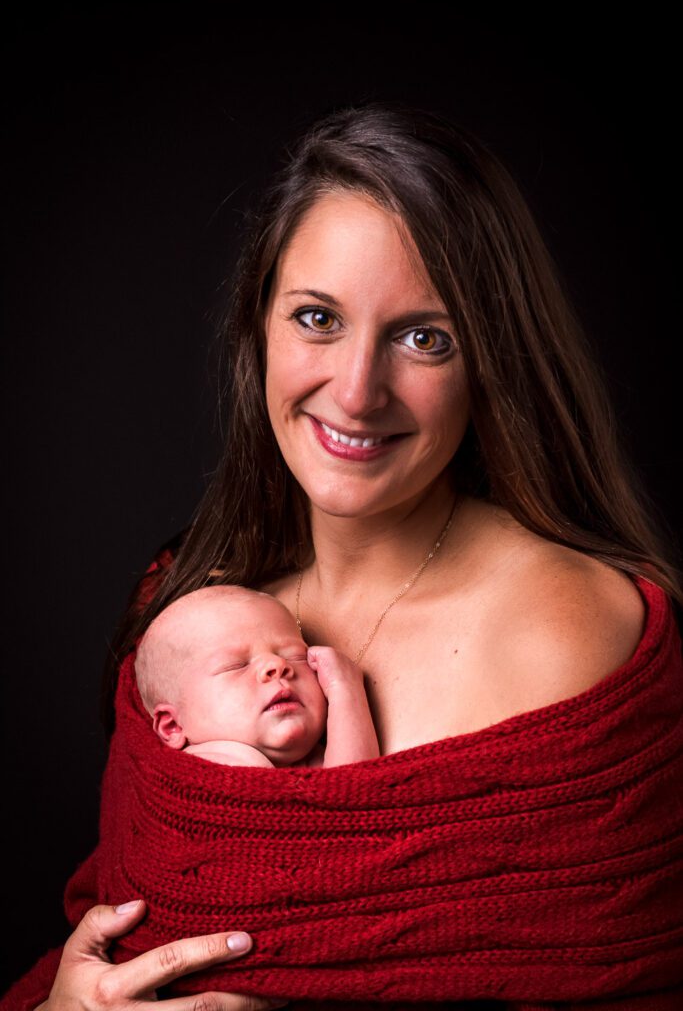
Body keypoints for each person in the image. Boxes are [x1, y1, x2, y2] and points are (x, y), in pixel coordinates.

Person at [6, 100, 682, 1009]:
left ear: (490, 360)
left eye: (422, 337)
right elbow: (115, 917)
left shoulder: (571, 625)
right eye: (317, 318)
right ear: (258, 329)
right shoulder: (190, 605)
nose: (356, 392)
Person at [134, 584, 380, 768]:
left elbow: (353, 791)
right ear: (173, 726)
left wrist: (344, 690)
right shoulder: (201, 766)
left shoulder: (323, 758)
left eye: (295, 655)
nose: (277, 665)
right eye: (236, 665)